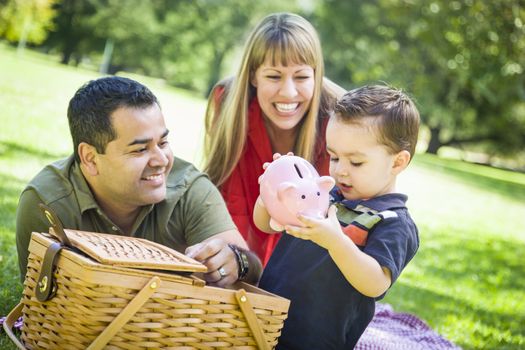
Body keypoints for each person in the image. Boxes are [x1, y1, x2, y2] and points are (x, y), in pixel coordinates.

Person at [16, 76, 262, 287]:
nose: (161, 160)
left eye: (163, 143)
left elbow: (253, 271)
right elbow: (43, 299)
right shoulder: (47, 201)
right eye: (140, 149)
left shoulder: (191, 190)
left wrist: (236, 261)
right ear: (90, 158)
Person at [254, 85, 421, 349]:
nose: (340, 170)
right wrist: (270, 195)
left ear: (397, 162)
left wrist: (335, 242)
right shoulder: (325, 194)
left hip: (315, 340)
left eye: (355, 162)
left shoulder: (392, 221)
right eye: (334, 157)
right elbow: (265, 225)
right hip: (263, 321)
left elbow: (375, 283)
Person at [203, 12, 345, 265]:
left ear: (316, 75)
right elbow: (227, 195)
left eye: (301, 76)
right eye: (274, 76)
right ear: (254, 76)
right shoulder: (229, 101)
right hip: (240, 250)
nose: (288, 92)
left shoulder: (339, 116)